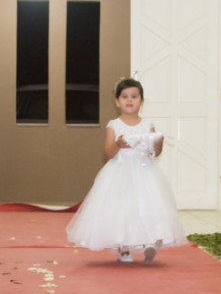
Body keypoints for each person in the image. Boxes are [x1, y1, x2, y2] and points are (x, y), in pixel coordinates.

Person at [66, 78, 185, 263]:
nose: (129, 100)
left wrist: (158, 144)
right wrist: (118, 145)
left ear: (141, 101)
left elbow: (154, 153)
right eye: (124, 96)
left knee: (147, 206)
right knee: (121, 210)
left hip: (145, 172)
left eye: (134, 96)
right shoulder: (114, 125)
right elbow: (108, 153)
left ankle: (148, 242)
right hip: (120, 173)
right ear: (117, 101)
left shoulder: (148, 125)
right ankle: (123, 247)